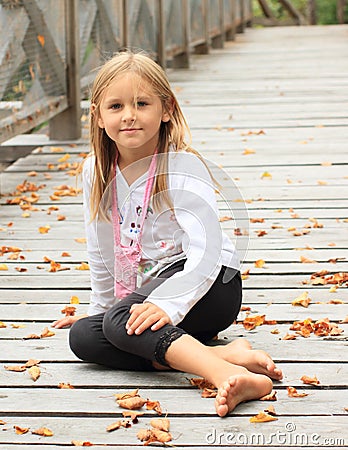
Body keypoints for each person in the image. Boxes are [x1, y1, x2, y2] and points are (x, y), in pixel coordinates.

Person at [52, 50, 282, 417]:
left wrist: (167, 304)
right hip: (154, 288)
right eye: (115, 106)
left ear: (167, 108)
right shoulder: (95, 170)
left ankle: (224, 374)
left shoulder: (182, 168)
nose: (129, 115)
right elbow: (101, 249)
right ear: (97, 116)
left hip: (210, 287)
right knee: (84, 336)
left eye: (142, 103)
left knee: (119, 324)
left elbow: (205, 254)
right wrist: (99, 308)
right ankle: (223, 354)